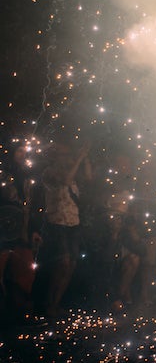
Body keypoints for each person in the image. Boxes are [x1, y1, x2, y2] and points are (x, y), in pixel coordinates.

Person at [34, 140, 92, 319]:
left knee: (71, 265)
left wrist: (85, 159)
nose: (67, 158)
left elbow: (89, 178)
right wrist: (79, 159)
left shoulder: (72, 173)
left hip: (73, 223)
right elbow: (65, 181)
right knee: (63, 263)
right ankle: (48, 303)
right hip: (56, 223)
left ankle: (55, 304)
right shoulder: (49, 173)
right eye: (64, 155)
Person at [0, 141, 44, 327]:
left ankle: (20, 314)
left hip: (22, 233)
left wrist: (34, 229)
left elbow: (32, 207)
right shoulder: (3, 173)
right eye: (18, 151)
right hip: (3, 232)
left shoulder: (29, 178)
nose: (22, 155)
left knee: (26, 273)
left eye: (24, 152)